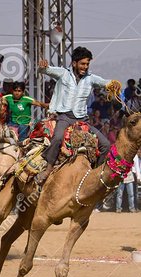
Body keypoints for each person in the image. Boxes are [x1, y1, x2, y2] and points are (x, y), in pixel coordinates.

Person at [35, 47, 118, 185]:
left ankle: (95, 175)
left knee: (105, 145)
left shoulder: (90, 79)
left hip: (82, 119)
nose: (85, 67)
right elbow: (45, 70)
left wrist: (113, 84)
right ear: (74, 63)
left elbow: (105, 82)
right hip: (64, 117)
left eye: (87, 64)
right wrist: (42, 67)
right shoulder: (63, 73)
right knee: (57, 138)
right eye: (82, 64)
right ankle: (48, 169)